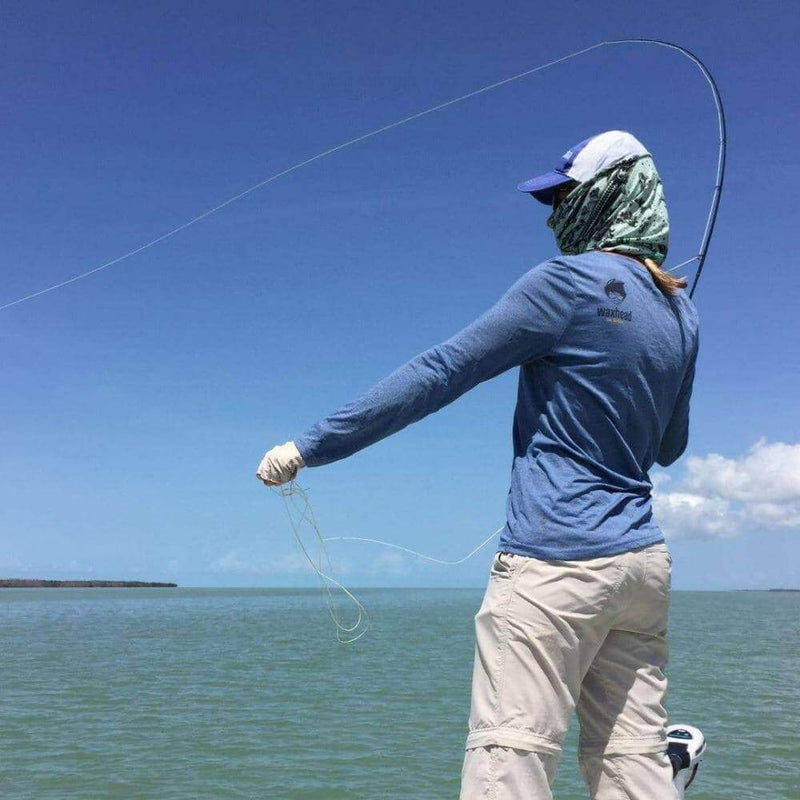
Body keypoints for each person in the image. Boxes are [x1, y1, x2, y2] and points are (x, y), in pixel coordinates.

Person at [256, 130, 699, 799]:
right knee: (634, 761)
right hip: (642, 569)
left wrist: (310, 446)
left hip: (556, 565)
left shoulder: (563, 284)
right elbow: (669, 447)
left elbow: (441, 372)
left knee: (508, 762)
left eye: (564, 198)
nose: (553, 217)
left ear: (608, 196)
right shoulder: (682, 312)